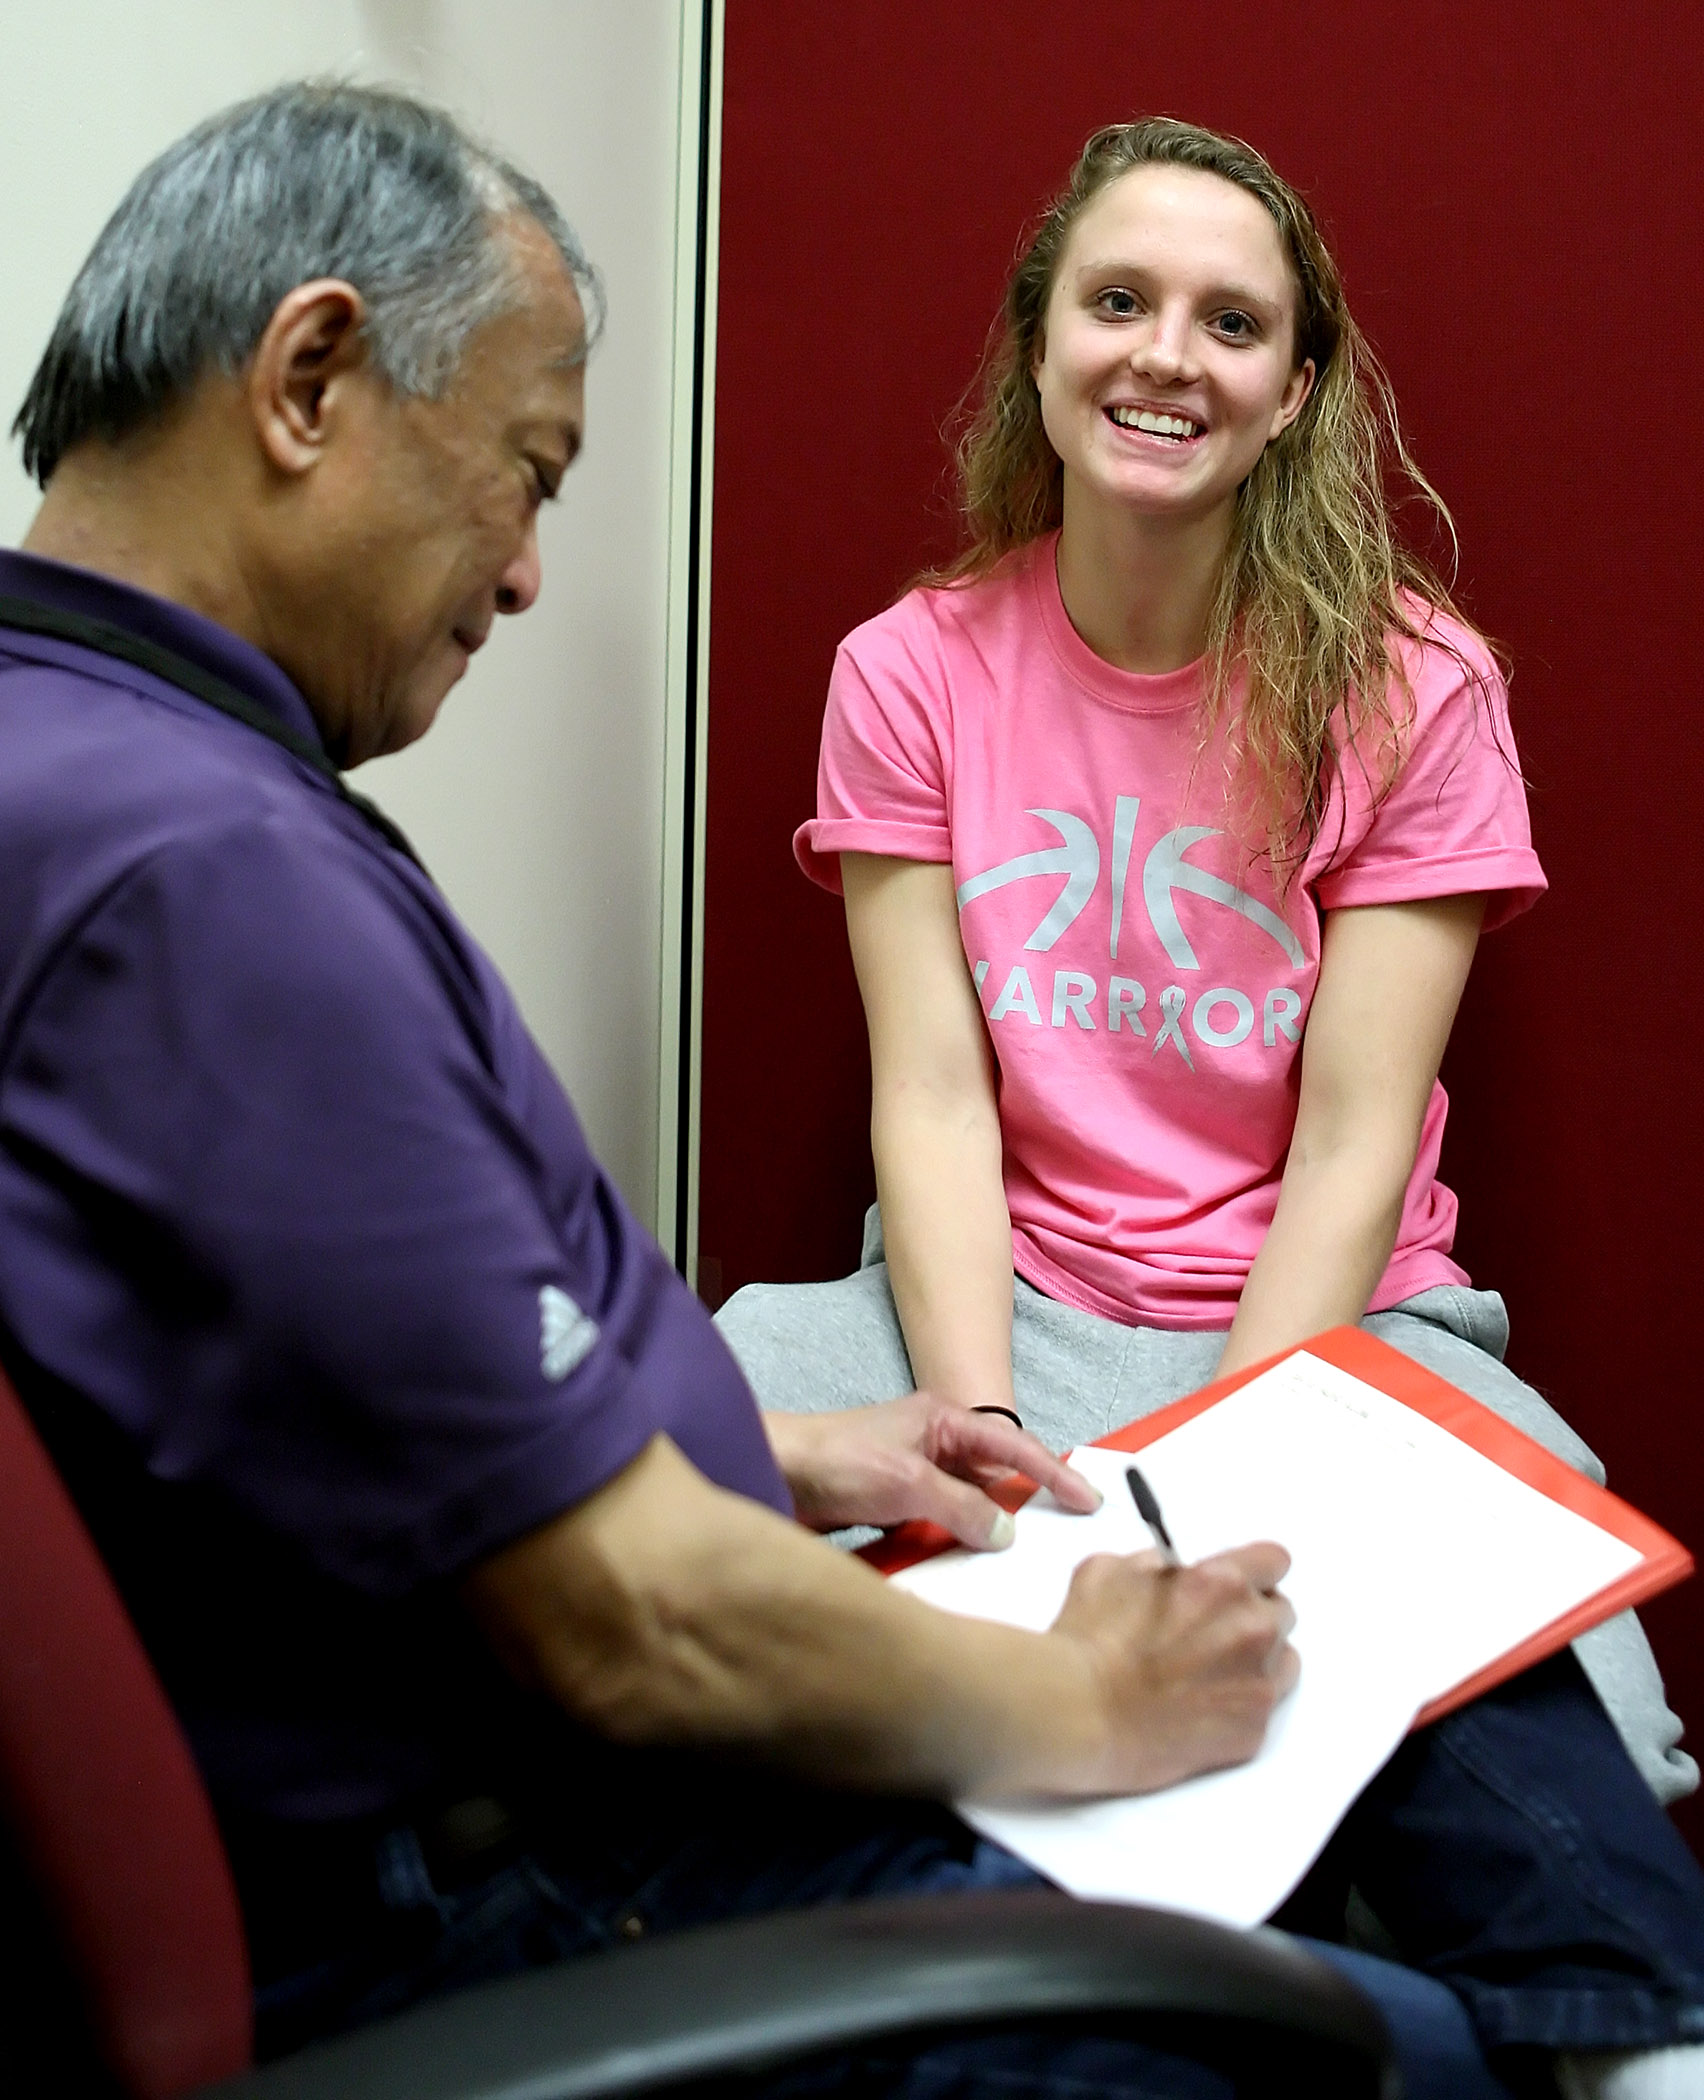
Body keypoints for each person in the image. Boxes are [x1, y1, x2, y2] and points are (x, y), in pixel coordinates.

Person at [0, 86, 1700, 2100]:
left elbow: (363, 1398)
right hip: (512, 1857)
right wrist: (1047, 1676)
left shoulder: (131, 788)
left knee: (1436, 1624)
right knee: (1383, 2048)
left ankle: (1634, 2026)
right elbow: (637, 1607)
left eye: (1233, 323)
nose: (536, 575)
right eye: (530, 475)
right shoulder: (209, 880)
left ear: (1302, 386)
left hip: (1258, 1336)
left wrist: (813, 1462)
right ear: (307, 383)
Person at [714, 117, 1693, 1820]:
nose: (1167, 355)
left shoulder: (1418, 690)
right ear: (1042, 349)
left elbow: (1351, 1142)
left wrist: (1209, 1482)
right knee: (655, 1512)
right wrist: (979, 1456)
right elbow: (935, 1103)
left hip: (1338, 1321)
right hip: (988, 1298)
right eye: (1118, 301)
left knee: (1575, 1704)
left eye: (1232, 323)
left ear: (1296, 387)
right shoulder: (906, 673)